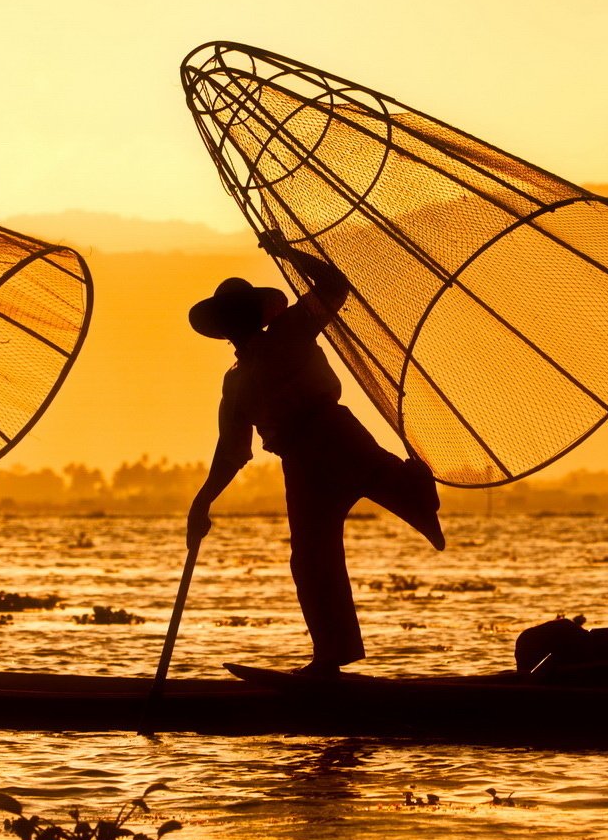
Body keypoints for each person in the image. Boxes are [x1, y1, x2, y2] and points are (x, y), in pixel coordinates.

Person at [186, 238, 446, 676]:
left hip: (335, 433)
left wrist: (287, 252)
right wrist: (202, 501)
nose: (237, 323)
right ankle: (331, 657)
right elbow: (232, 452)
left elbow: (333, 284)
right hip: (299, 462)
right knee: (310, 558)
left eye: (242, 313)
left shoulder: (290, 330)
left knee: (383, 480)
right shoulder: (236, 383)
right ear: (223, 327)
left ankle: (416, 492)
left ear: (257, 315)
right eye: (229, 317)